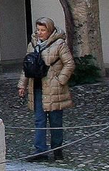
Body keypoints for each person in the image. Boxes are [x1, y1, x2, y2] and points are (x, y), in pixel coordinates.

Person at [17, 17, 76, 161]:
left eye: (43, 30)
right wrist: (22, 85)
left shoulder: (59, 44)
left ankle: (57, 150)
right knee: (39, 120)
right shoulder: (32, 45)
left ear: (49, 30)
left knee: (55, 121)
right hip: (36, 86)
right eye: (38, 30)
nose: (40, 33)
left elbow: (69, 64)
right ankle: (40, 151)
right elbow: (27, 66)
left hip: (54, 87)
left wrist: (60, 80)